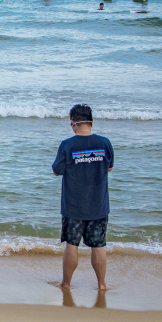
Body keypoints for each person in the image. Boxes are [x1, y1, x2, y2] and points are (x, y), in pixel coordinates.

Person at [52, 104, 114, 290]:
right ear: (91, 122)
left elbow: (57, 171)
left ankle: (66, 283)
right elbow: (109, 167)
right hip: (98, 205)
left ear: (72, 122)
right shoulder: (104, 143)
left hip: (73, 206)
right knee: (98, 245)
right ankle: (102, 284)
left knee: (72, 244)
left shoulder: (68, 145)